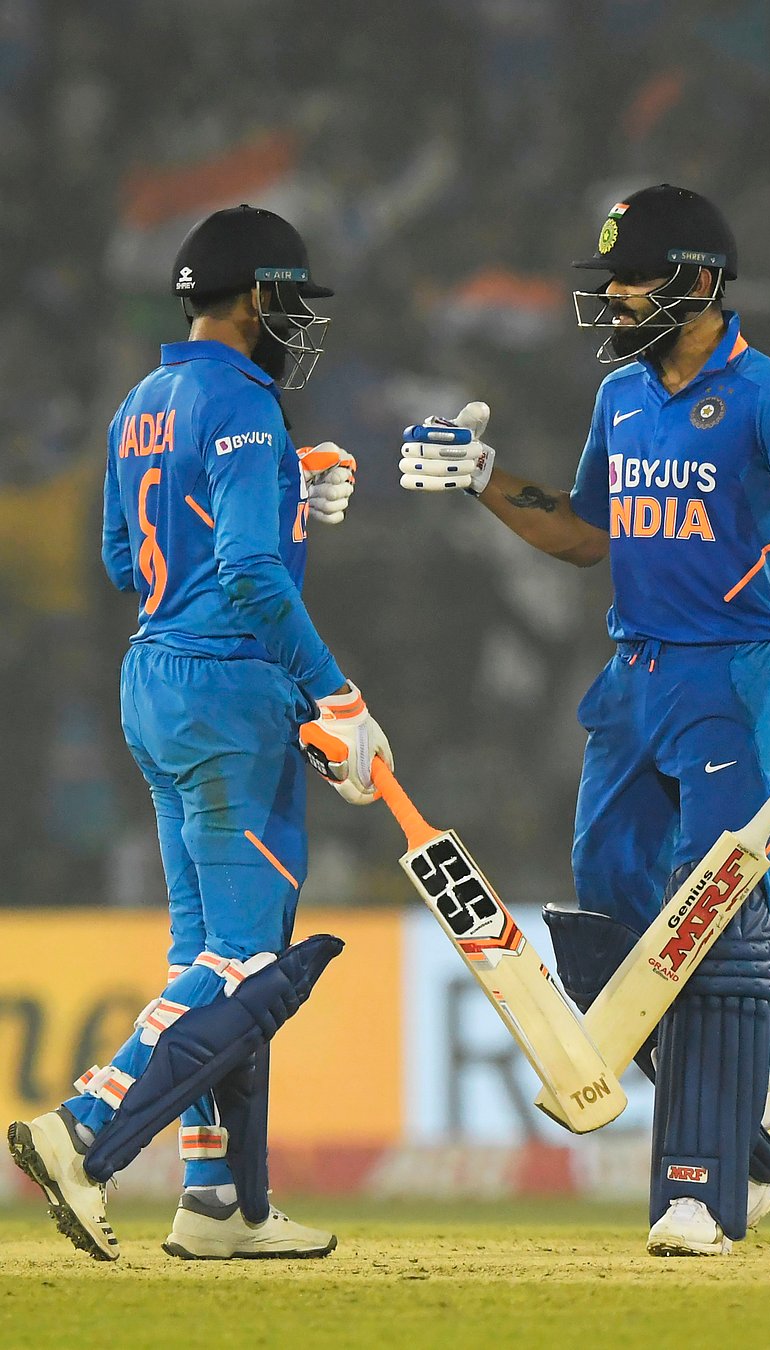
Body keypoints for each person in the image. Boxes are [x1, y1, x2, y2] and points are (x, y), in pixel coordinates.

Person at [398, 184, 770, 1255]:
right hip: (633, 681)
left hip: (733, 680)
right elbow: (584, 536)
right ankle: (749, 1124)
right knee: (610, 923)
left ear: (701, 283)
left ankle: (698, 1193)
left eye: (636, 277)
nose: (612, 295)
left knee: (706, 921)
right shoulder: (619, 394)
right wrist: (482, 477)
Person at [8, 204, 393, 1262]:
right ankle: (82, 1128)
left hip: (154, 682)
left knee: (212, 954)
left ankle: (217, 1201)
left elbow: (127, 560)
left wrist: (282, 486)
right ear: (258, 297)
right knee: (241, 960)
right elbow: (251, 574)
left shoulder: (142, 399)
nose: (297, 326)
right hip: (231, 696)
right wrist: (338, 697)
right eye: (292, 304)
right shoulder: (242, 403)